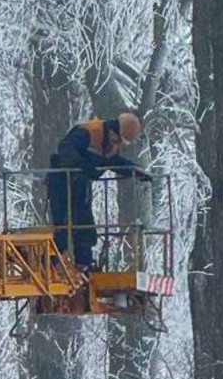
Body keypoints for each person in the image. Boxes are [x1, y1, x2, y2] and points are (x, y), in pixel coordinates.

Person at [47, 111, 148, 269]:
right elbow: (66, 149)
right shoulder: (88, 132)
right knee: (63, 221)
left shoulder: (110, 144)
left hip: (80, 184)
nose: (119, 143)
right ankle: (54, 260)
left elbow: (113, 161)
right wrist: (84, 166)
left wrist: (134, 170)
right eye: (120, 140)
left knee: (84, 222)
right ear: (115, 130)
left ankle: (83, 263)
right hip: (61, 180)